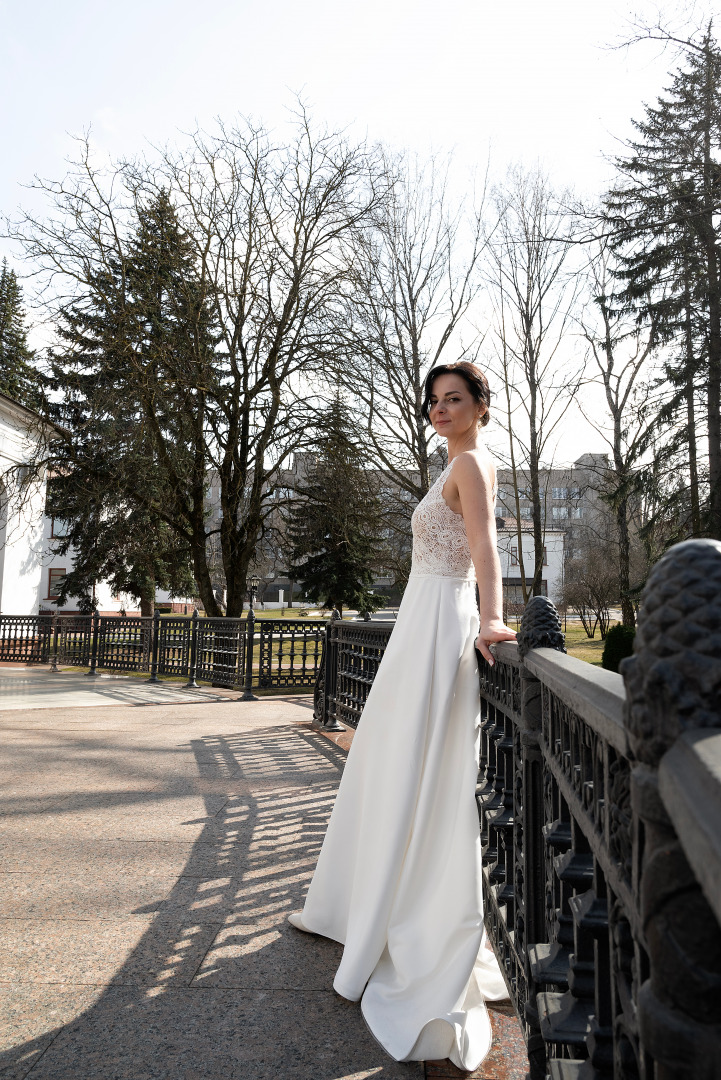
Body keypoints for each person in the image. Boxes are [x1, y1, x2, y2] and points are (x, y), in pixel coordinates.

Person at [289, 361, 517, 1071]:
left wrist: (492, 619)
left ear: (480, 407)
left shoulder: (473, 464)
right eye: (435, 400)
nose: (440, 409)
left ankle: (411, 923)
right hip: (419, 625)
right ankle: (369, 907)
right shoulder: (453, 463)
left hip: (441, 629)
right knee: (390, 765)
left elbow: (484, 547)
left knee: (418, 771)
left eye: (455, 400)